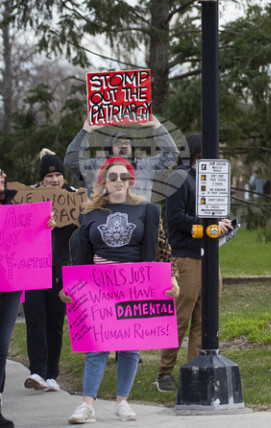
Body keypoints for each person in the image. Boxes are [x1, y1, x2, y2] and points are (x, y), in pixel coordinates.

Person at [66, 157, 161, 424]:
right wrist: (74, 288)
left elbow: (158, 247)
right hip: (99, 286)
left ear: (131, 181)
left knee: (130, 346)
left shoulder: (148, 210)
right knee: (97, 345)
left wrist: (167, 278)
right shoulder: (90, 213)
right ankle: (87, 404)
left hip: (135, 284)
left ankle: (122, 402)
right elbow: (82, 253)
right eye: (112, 177)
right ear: (103, 182)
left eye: (123, 176)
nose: (118, 181)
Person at [155, 134, 233, 392]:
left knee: (206, 318)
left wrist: (221, 226)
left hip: (210, 257)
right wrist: (208, 228)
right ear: (198, 151)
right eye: (213, 149)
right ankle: (164, 372)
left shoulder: (209, 178)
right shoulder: (179, 177)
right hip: (186, 258)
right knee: (180, 317)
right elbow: (176, 218)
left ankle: (196, 370)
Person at [0, 166, 56, 427]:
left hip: (8, 286)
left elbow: (26, 238)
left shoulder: (14, 205)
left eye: (2, 173)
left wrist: (45, 225)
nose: (2, 176)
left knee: (2, 347)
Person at [23, 151, 76, 394]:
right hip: (33, 268)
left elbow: (83, 226)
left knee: (55, 321)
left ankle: (52, 374)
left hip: (60, 268)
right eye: (49, 176)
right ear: (42, 179)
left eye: (57, 175)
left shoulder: (73, 196)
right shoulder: (30, 197)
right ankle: (37, 371)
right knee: (35, 320)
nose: (54, 180)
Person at [65, 116, 179, 202]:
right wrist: (85, 131)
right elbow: (71, 160)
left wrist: (158, 127)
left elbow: (172, 154)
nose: (123, 146)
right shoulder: (95, 167)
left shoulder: (146, 167)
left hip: (138, 228)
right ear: (110, 148)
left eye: (127, 143)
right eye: (118, 143)